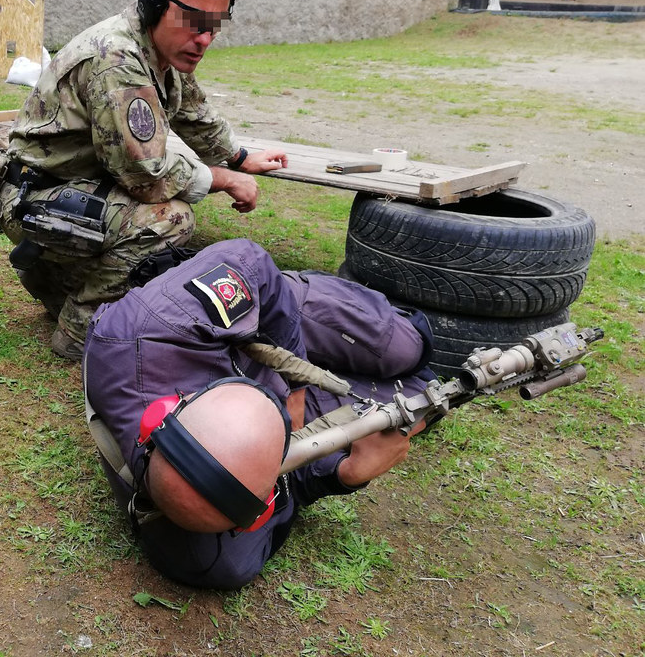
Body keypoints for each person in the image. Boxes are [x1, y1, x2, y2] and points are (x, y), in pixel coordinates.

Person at [0, 0, 288, 361]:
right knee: (169, 220)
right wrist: (225, 179)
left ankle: (48, 277)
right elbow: (147, 175)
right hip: (34, 197)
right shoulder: (116, 59)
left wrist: (239, 156)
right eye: (193, 20)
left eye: (215, 25)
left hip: (65, 187)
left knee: (151, 229)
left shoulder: (160, 49)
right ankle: (80, 329)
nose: (205, 38)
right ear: (155, 0)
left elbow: (194, 111)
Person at [82, 238, 437, 589]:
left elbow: (251, 261)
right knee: (422, 397)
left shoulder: (163, 324)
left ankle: (342, 309)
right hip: (241, 365)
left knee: (409, 348)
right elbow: (278, 481)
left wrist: (295, 387)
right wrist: (342, 476)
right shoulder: (207, 557)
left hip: (256, 320)